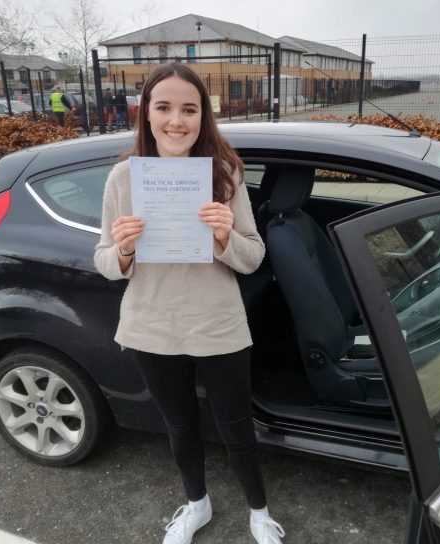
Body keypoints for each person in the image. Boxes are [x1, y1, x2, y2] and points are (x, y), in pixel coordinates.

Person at [94, 62, 285, 544]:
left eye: (188, 109)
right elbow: (103, 261)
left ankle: (258, 511)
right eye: (163, 107)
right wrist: (124, 249)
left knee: (236, 426)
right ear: (146, 114)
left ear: (203, 116)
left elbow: (253, 256)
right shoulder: (123, 177)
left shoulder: (224, 173)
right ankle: (196, 504)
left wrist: (224, 236)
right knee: (180, 427)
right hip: (151, 326)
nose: (175, 120)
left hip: (216, 323)